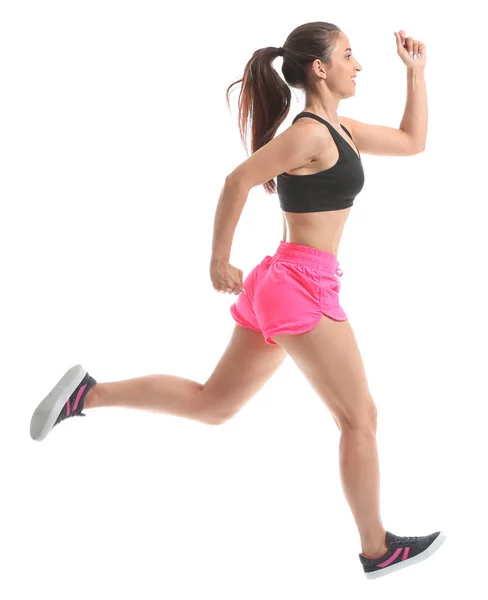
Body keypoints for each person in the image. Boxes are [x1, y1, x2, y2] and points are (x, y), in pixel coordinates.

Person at [29, 22, 444, 579]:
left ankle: (88, 394)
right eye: (349, 55)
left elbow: (413, 143)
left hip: (286, 282)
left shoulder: (339, 128)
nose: (359, 64)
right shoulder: (311, 134)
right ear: (319, 68)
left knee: (214, 404)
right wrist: (218, 260)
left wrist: (415, 74)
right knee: (359, 418)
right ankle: (377, 548)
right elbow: (237, 180)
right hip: (301, 286)